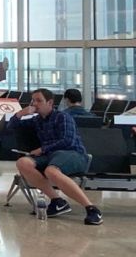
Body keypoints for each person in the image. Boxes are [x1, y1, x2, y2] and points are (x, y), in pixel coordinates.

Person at [10, 89, 102, 225]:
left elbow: (67, 140)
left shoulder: (62, 117)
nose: (35, 104)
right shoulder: (37, 120)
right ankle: (57, 201)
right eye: (33, 100)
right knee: (23, 163)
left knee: (51, 170)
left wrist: (42, 149)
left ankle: (91, 208)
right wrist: (20, 113)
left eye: (39, 100)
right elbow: (12, 126)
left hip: (73, 154)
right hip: (50, 156)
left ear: (50, 102)